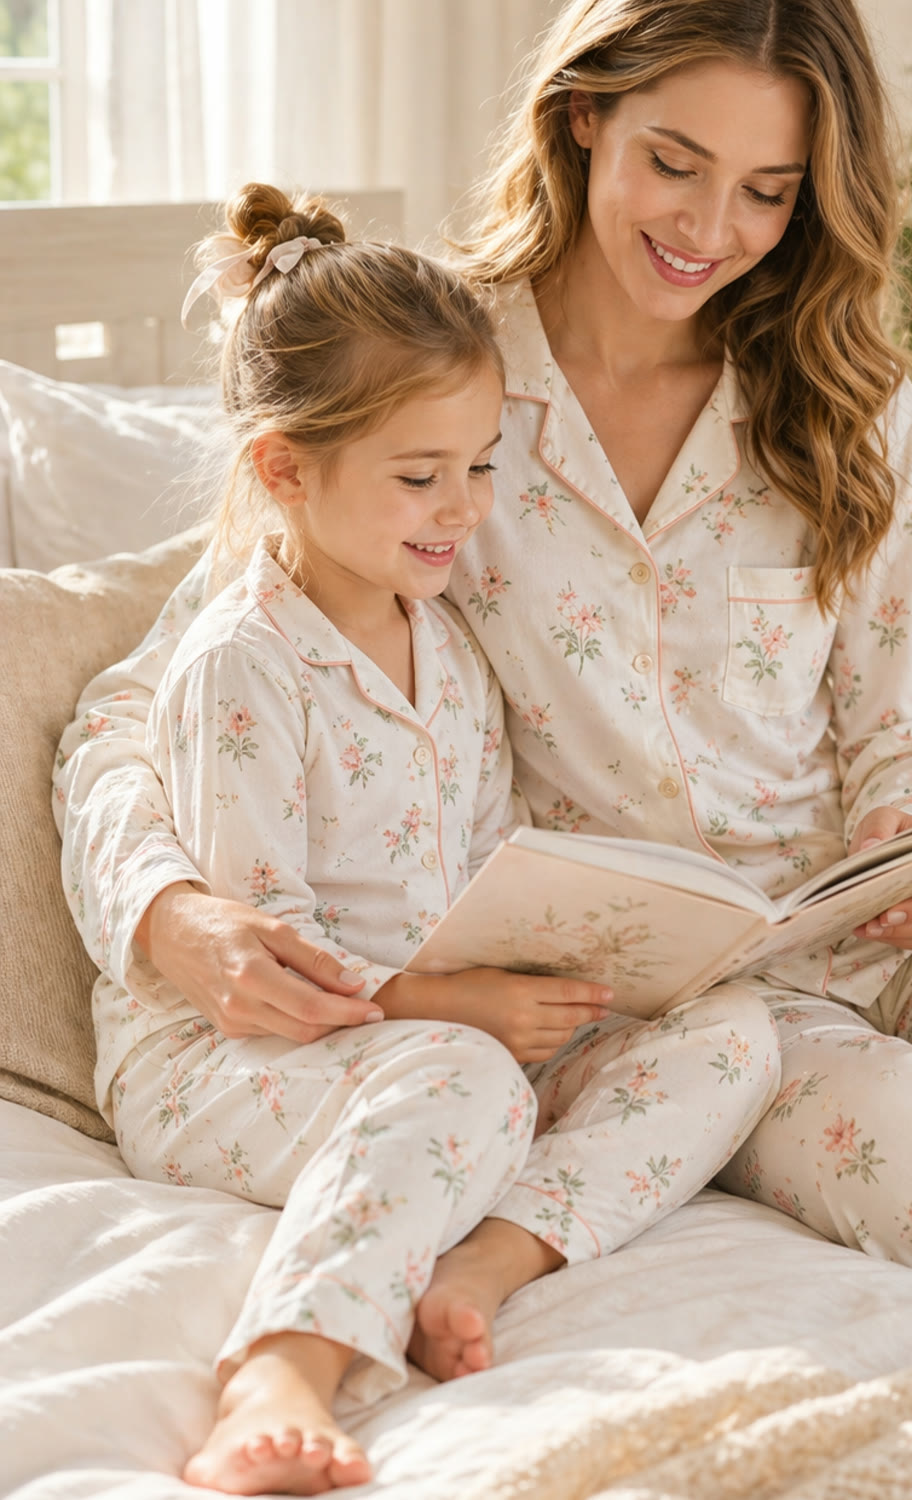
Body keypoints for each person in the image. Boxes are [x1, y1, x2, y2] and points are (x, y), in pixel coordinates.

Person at [57, 0, 912, 1298]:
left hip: (902, 914)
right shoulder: (434, 374)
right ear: (584, 115)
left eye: (768, 190)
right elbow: (135, 704)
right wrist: (169, 914)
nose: (711, 231)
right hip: (682, 1000)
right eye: (674, 163)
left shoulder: (841, 392)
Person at [64, 182, 780, 1497]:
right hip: (239, 1054)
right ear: (286, 467)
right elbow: (267, 958)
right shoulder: (243, 667)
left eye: (479, 468)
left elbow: (480, 858)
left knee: (734, 1037)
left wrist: (580, 959)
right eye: (419, 476)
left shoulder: (448, 644)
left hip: (431, 1023)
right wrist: (445, 1004)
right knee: (461, 1078)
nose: (463, 510)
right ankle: (283, 1361)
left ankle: (484, 1258)